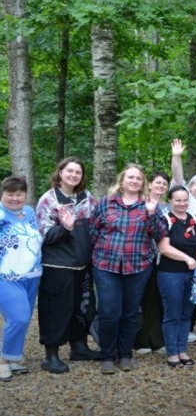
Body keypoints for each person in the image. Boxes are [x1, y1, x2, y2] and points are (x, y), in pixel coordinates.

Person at [90, 164, 162, 374]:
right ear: (122, 180)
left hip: (138, 266)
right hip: (106, 265)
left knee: (130, 312)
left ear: (143, 183)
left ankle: (125, 354)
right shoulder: (105, 203)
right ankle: (107, 355)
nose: (134, 181)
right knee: (109, 311)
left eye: (138, 178)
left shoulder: (149, 204)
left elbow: (158, 234)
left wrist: (151, 213)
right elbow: (93, 231)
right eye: (130, 177)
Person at [35, 157, 101, 374]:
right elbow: (45, 235)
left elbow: (96, 226)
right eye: (69, 171)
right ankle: (51, 355)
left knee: (81, 308)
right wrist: (65, 227)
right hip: (58, 266)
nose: (73, 175)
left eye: (78, 172)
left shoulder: (87, 198)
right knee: (55, 310)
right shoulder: (49, 200)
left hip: (83, 265)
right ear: (60, 172)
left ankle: (79, 347)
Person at [156, 186, 196, 368]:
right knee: (172, 313)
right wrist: (186, 258)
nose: (182, 203)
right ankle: (172, 352)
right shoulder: (165, 220)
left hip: (194, 274)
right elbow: (164, 248)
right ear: (170, 201)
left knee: (186, 313)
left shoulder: (194, 220)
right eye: (177, 200)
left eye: (184, 200)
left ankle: (182, 349)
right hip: (171, 273)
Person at [0, 176, 43, 382]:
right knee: (20, 317)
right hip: (6, 276)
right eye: (10, 194)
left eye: (19, 194)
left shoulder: (29, 213)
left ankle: (13, 357)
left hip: (32, 275)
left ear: (25, 195)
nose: (15, 198)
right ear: (2, 195)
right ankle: (3, 361)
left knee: (20, 320)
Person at [170, 138, 196, 343]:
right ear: (190, 186)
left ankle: (188, 327)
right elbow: (178, 179)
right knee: (176, 294)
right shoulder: (185, 198)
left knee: (194, 293)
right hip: (176, 253)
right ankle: (173, 331)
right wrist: (176, 157)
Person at [133, 171, 170, 355]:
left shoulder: (168, 206)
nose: (161, 186)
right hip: (143, 257)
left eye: (164, 184)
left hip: (164, 260)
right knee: (143, 299)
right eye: (158, 183)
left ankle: (156, 338)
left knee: (157, 300)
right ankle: (139, 340)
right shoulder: (141, 202)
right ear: (150, 184)